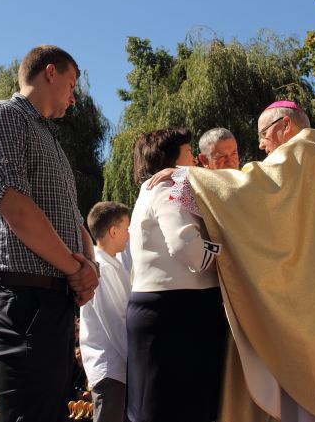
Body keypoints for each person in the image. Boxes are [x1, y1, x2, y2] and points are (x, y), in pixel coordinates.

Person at [152, 101, 315, 421]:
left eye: (264, 134)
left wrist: (187, 176)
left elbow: (257, 191)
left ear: (285, 126)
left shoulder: (302, 152)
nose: (262, 145)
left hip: (311, 311)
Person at [0, 44, 99, 422]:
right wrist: (77, 270)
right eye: (72, 84)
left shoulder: (52, 141)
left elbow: (74, 220)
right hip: (20, 298)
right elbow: (14, 206)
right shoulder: (2, 115)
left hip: (52, 300)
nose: (74, 99)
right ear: (50, 73)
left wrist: (88, 266)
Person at [127, 128, 224, 422]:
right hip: (179, 314)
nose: (195, 159)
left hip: (164, 310)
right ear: (170, 161)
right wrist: (229, 254)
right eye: (188, 153)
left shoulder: (154, 189)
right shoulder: (170, 186)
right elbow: (188, 247)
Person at [80, 201, 132, 422]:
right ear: (113, 231)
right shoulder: (101, 268)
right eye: (126, 228)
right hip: (110, 368)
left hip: (118, 368)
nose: (129, 234)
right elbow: (116, 322)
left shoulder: (113, 264)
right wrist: (137, 361)